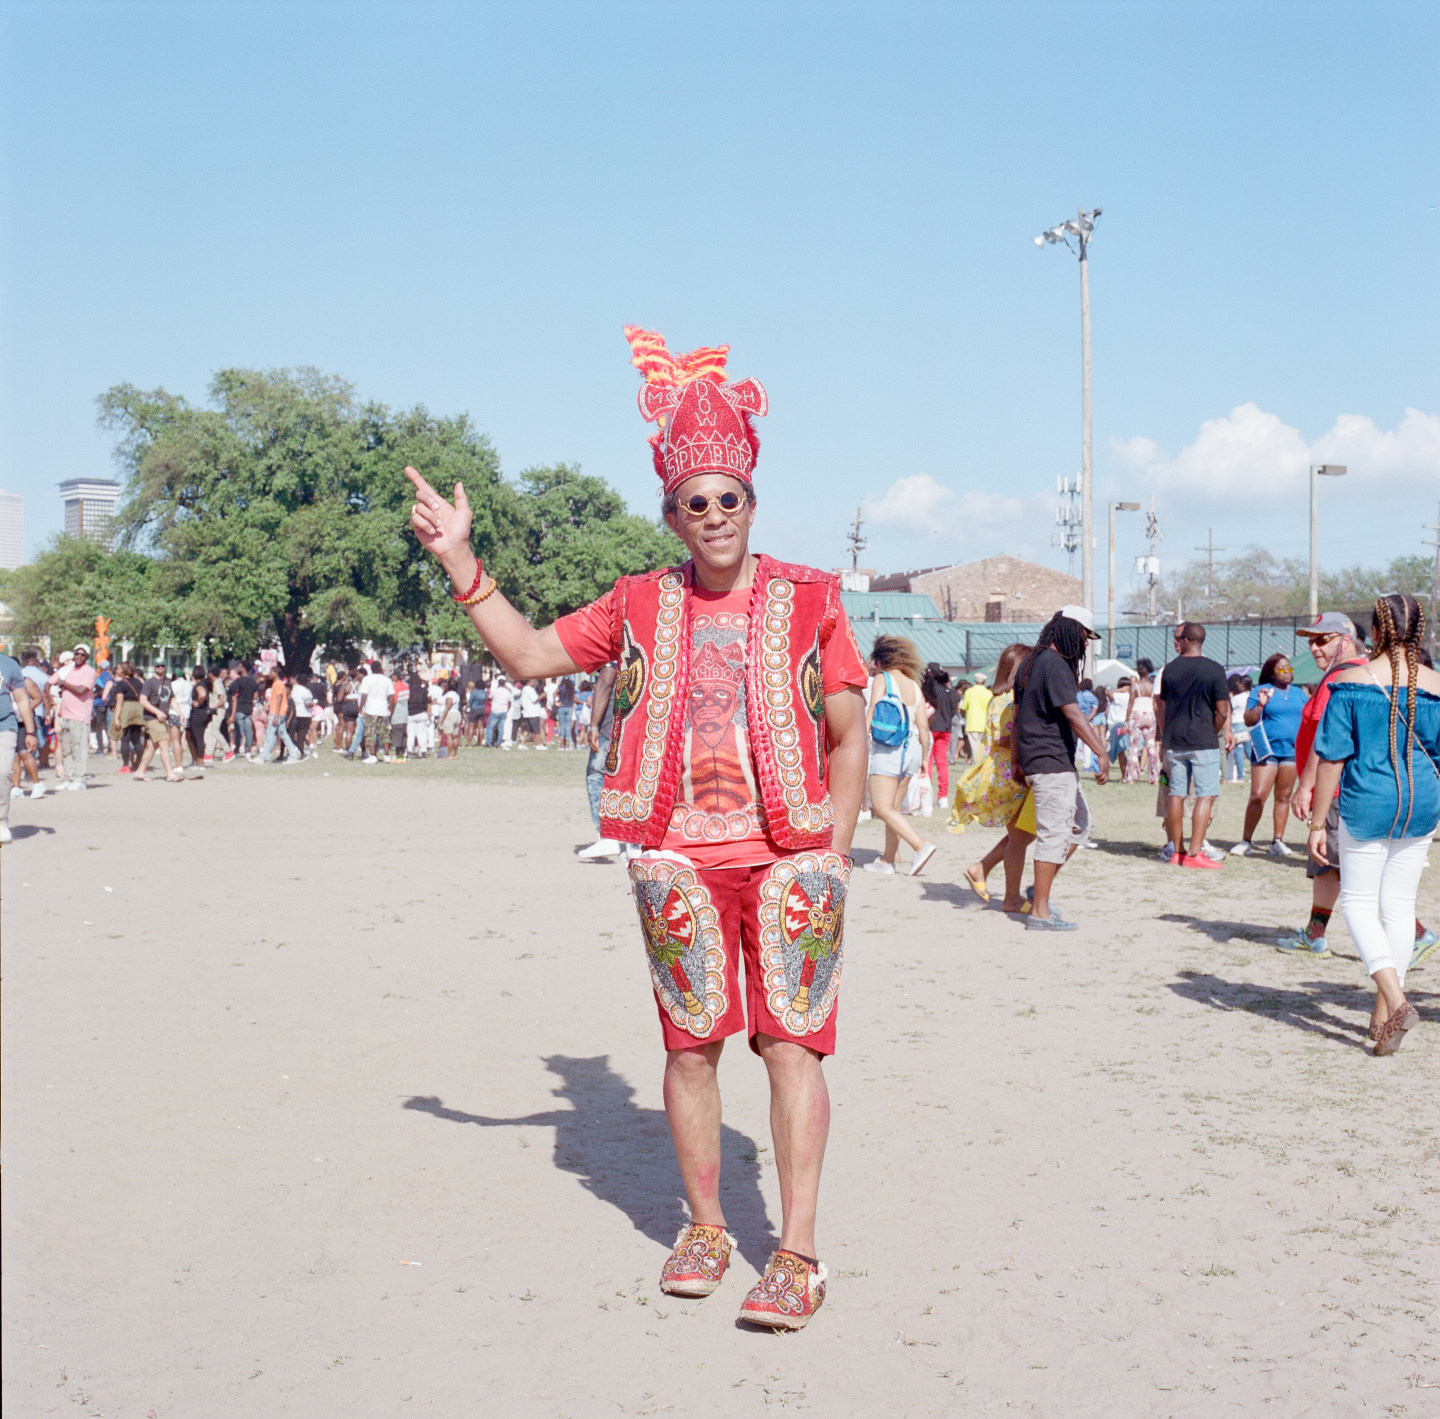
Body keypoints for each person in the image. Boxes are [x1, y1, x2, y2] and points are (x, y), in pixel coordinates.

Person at [405, 324, 869, 1329]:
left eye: (727, 499)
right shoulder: (637, 604)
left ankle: (797, 1251)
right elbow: (527, 656)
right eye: (694, 502)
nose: (712, 516)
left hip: (791, 857)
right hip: (678, 864)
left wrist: (832, 846)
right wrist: (461, 558)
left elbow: (846, 733)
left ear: (753, 500)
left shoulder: (811, 600)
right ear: (673, 510)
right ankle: (706, 1226)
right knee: (691, 1048)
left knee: (793, 1050)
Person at [1309, 595, 1439, 1055]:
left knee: (1360, 905)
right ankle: (1384, 1013)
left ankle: (1397, 1001)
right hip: (1423, 802)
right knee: (1400, 907)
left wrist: (1316, 824)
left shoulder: (1352, 682)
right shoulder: (1437, 684)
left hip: (1368, 800)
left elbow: (1332, 757)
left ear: (1377, 631)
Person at [1012, 607, 1108, 930]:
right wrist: (1101, 752)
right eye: (1083, 635)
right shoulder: (1053, 664)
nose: (1084, 643)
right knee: (1053, 834)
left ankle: (1041, 888)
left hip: (1045, 761)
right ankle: (1040, 912)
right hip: (1051, 762)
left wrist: (1016, 760)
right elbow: (1074, 714)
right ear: (1069, 630)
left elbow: (1017, 717)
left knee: (1080, 825)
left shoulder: (1030, 663)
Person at [951, 642, 1034, 913]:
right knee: (1022, 836)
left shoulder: (995, 698)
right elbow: (1003, 739)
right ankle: (1010, 896)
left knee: (1022, 834)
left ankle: (982, 868)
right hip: (1013, 775)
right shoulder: (1012, 700)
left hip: (1001, 775)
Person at [1156, 622, 1233, 868]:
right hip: (1203, 741)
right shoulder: (1215, 669)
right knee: (1205, 794)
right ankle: (1195, 853)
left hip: (1175, 741)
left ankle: (1177, 851)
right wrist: (1212, 730)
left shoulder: (1170, 669)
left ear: (1187, 640)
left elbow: (1164, 706)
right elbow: (1222, 710)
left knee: (1176, 794)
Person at [863, 635, 935, 876]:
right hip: (912, 748)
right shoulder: (914, 686)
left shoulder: (884, 679)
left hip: (889, 749)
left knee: (882, 808)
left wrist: (862, 742)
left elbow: (871, 711)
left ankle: (919, 845)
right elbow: (923, 728)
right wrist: (925, 758)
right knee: (893, 807)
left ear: (881, 659)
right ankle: (888, 858)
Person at [1233, 651, 1306, 856]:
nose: (1287, 672)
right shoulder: (1261, 690)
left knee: (1283, 796)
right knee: (1257, 796)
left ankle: (1277, 841)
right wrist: (1260, 705)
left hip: (1291, 751)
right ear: (1272, 672)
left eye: (1289, 668)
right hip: (1267, 751)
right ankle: (1246, 840)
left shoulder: (1299, 693)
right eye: (1281, 669)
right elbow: (1248, 719)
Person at [577, 662, 622, 860]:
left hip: (609, 726)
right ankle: (626, 837)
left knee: (596, 775)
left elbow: (604, 685)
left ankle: (606, 835)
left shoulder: (613, 656)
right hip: (631, 725)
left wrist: (593, 726)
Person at [0, 647, 40, 844]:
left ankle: (1, 822)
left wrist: (30, 732)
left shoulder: (8, 665)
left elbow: (22, 699)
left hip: (4, 726)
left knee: (2, 772)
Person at [47, 644, 98, 790]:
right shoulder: (68, 670)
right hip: (65, 715)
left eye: (83, 655)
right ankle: (68, 778)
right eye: (77, 654)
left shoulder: (89, 671)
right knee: (66, 749)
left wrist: (63, 683)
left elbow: (82, 690)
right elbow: (51, 681)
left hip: (80, 716)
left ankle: (79, 779)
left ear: (87, 657)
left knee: (79, 749)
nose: (79, 657)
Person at [922, 664, 955, 803]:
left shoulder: (928, 690)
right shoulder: (948, 691)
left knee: (927, 762)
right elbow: (953, 710)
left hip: (930, 728)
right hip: (945, 729)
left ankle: (926, 795)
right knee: (942, 763)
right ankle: (943, 796)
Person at [1122, 659, 1158, 784]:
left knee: (1134, 747)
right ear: (1148, 672)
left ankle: (1131, 777)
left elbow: (1130, 705)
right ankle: (1154, 777)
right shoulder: (1152, 687)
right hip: (1150, 716)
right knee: (1151, 747)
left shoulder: (1134, 687)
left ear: (1138, 672)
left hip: (1136, 716)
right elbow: (1155, 705)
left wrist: (1126, 722)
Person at [351, 660, 392, 762]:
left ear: (371, 669)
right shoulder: (387, 680)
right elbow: (391, 696)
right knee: (385, 734)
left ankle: (373, 756)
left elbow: (364, 695)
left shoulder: (367, 679)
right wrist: (390, 709)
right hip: (383, 709)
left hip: (371, 709)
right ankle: (387, 755)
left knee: (371, 734)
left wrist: (360, 709)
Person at [260, 671, 301, 764]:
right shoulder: (278, 684)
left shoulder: (278, 684)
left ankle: (263, 756)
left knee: (270, 734)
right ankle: (294, 754)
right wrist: (264, 708)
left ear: (276, 673)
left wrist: (276, 715)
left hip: (276, 713)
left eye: (271, 672)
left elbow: (278, 700)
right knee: (283, 735)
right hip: (279, 713)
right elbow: (273, 700)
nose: (269, 674)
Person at [958, 672, 992, 764]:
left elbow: (963, 707)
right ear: (984, 681)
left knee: (974, 746)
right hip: (984, 723)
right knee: (982, 745)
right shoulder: (989, 693)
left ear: (975, 681)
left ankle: (977, 762)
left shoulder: (969, 692)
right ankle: (980, 762)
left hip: (972, 723)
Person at [229, 663, 258, 758]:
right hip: (249, 707)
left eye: (240, 666)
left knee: (239, 731)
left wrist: (232, 713)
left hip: (239, 708)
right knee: (248, 730)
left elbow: (233, 697)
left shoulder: (237, 682)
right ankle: (248, 750)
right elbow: (256, 696)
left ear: (244, 669)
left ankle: (237, 750)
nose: (238, 667)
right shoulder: (253, 682)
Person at [1226, 674, 1252, 782]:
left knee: (1238, 751)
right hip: (1247, 724)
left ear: (1242, 685)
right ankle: (1256, 773)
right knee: (1249, 751)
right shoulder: (1250, 696)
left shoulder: (1236, 698)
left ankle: (1240, 776)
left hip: (1237, 724)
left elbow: (1229, 708)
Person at [1106, 676, 1131, 779]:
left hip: (1118, 726)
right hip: (1124, 725)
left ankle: (1124, 775)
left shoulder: (1120, 696)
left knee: (1120, 752)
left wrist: (1119, 689)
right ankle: (1127, 775)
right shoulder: (1130, 696)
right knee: (1127, 751)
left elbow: (1107, 692)